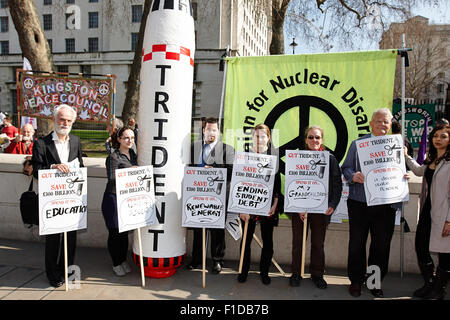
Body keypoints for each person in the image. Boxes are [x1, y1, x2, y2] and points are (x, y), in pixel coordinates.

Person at [341, 108, 399, 298]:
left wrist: (404, 176)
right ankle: (356, 281)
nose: (383, 124)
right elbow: (346, 167)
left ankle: (374, 282)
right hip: (359, 203)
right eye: (379, 121)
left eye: (386, 122)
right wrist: (352, 175)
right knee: (356, 244)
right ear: (371, 124)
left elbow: (401, 169)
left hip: (385, 205)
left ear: (391, 125)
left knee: (381, 246)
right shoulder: (358, 144)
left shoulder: (397, 145)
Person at [32, 104, 84, 288]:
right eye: (62, 119)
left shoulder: (76, 141)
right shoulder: (41, 143)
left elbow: (81, 167)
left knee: (70, 238)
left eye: (69, 120)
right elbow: (36, 171)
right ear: (54, 119)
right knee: (53, 240)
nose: (65, 123)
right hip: (51, 201)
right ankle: (53, 275)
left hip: (70, 200)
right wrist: (52, 168)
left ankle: (67, 271)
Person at [289, 126, 342, 289]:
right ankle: (296, 273)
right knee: (298, 243)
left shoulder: (330, 159)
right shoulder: (297, 158)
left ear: (322, 140)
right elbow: (291, 183)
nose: (314, 140)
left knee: (318, 244)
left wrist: (332, 204)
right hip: (300, 210)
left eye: (317, 137)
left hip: (321, 210)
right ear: (306, 139)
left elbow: (337, 184)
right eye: (311, 137)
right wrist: (296, 205)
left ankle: (317, 274)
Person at [404, 124, 450, 300]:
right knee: (421, 246)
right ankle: (430, 283)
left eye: (443, 136)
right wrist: (407, 157)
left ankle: (439, 289)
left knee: (445, 253)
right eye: (436, 136)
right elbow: (418, 170)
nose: (438, 139)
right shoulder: (432, 160)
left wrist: (449, 220)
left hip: (445, 213)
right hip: (428, 210)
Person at [186, 117, 235, 274]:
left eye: (214, 129)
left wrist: (215, 170)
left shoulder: (227, 149)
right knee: (198, 229)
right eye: (208, 129)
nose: (211, 132)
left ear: (219, 132)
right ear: (203, 131)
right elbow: (189, 169)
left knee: (217, 231)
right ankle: (196, 260)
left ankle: (217, 260)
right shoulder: (194, 148)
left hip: (217, 197)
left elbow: (232, 173)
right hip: (197, 195)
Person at [237, 124, 283, 285]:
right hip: (247, 205)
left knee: (268, 241)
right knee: (246, 241)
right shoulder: (244, 157)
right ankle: (243, 270)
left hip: (267, 206)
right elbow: (240, 182)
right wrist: (241, 208)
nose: (259, 139)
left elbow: (277, 186)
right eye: (256, 136)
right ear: (252, 138)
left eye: (263, 136)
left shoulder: (274, 158)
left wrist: (274, 205)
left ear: (268, 138)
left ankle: (264, 272)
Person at [101, 126, 137, 277]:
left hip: (126, 199)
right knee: (115, 232)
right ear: (119, 139)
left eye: (132, 138)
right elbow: (112, 178)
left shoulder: (133, 154)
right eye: (126, 138)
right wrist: (131, 172)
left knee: (123, 233)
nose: (130, 141)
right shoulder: (114, 156)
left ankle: (122, 260)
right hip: (113, 198)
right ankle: (116, 262)